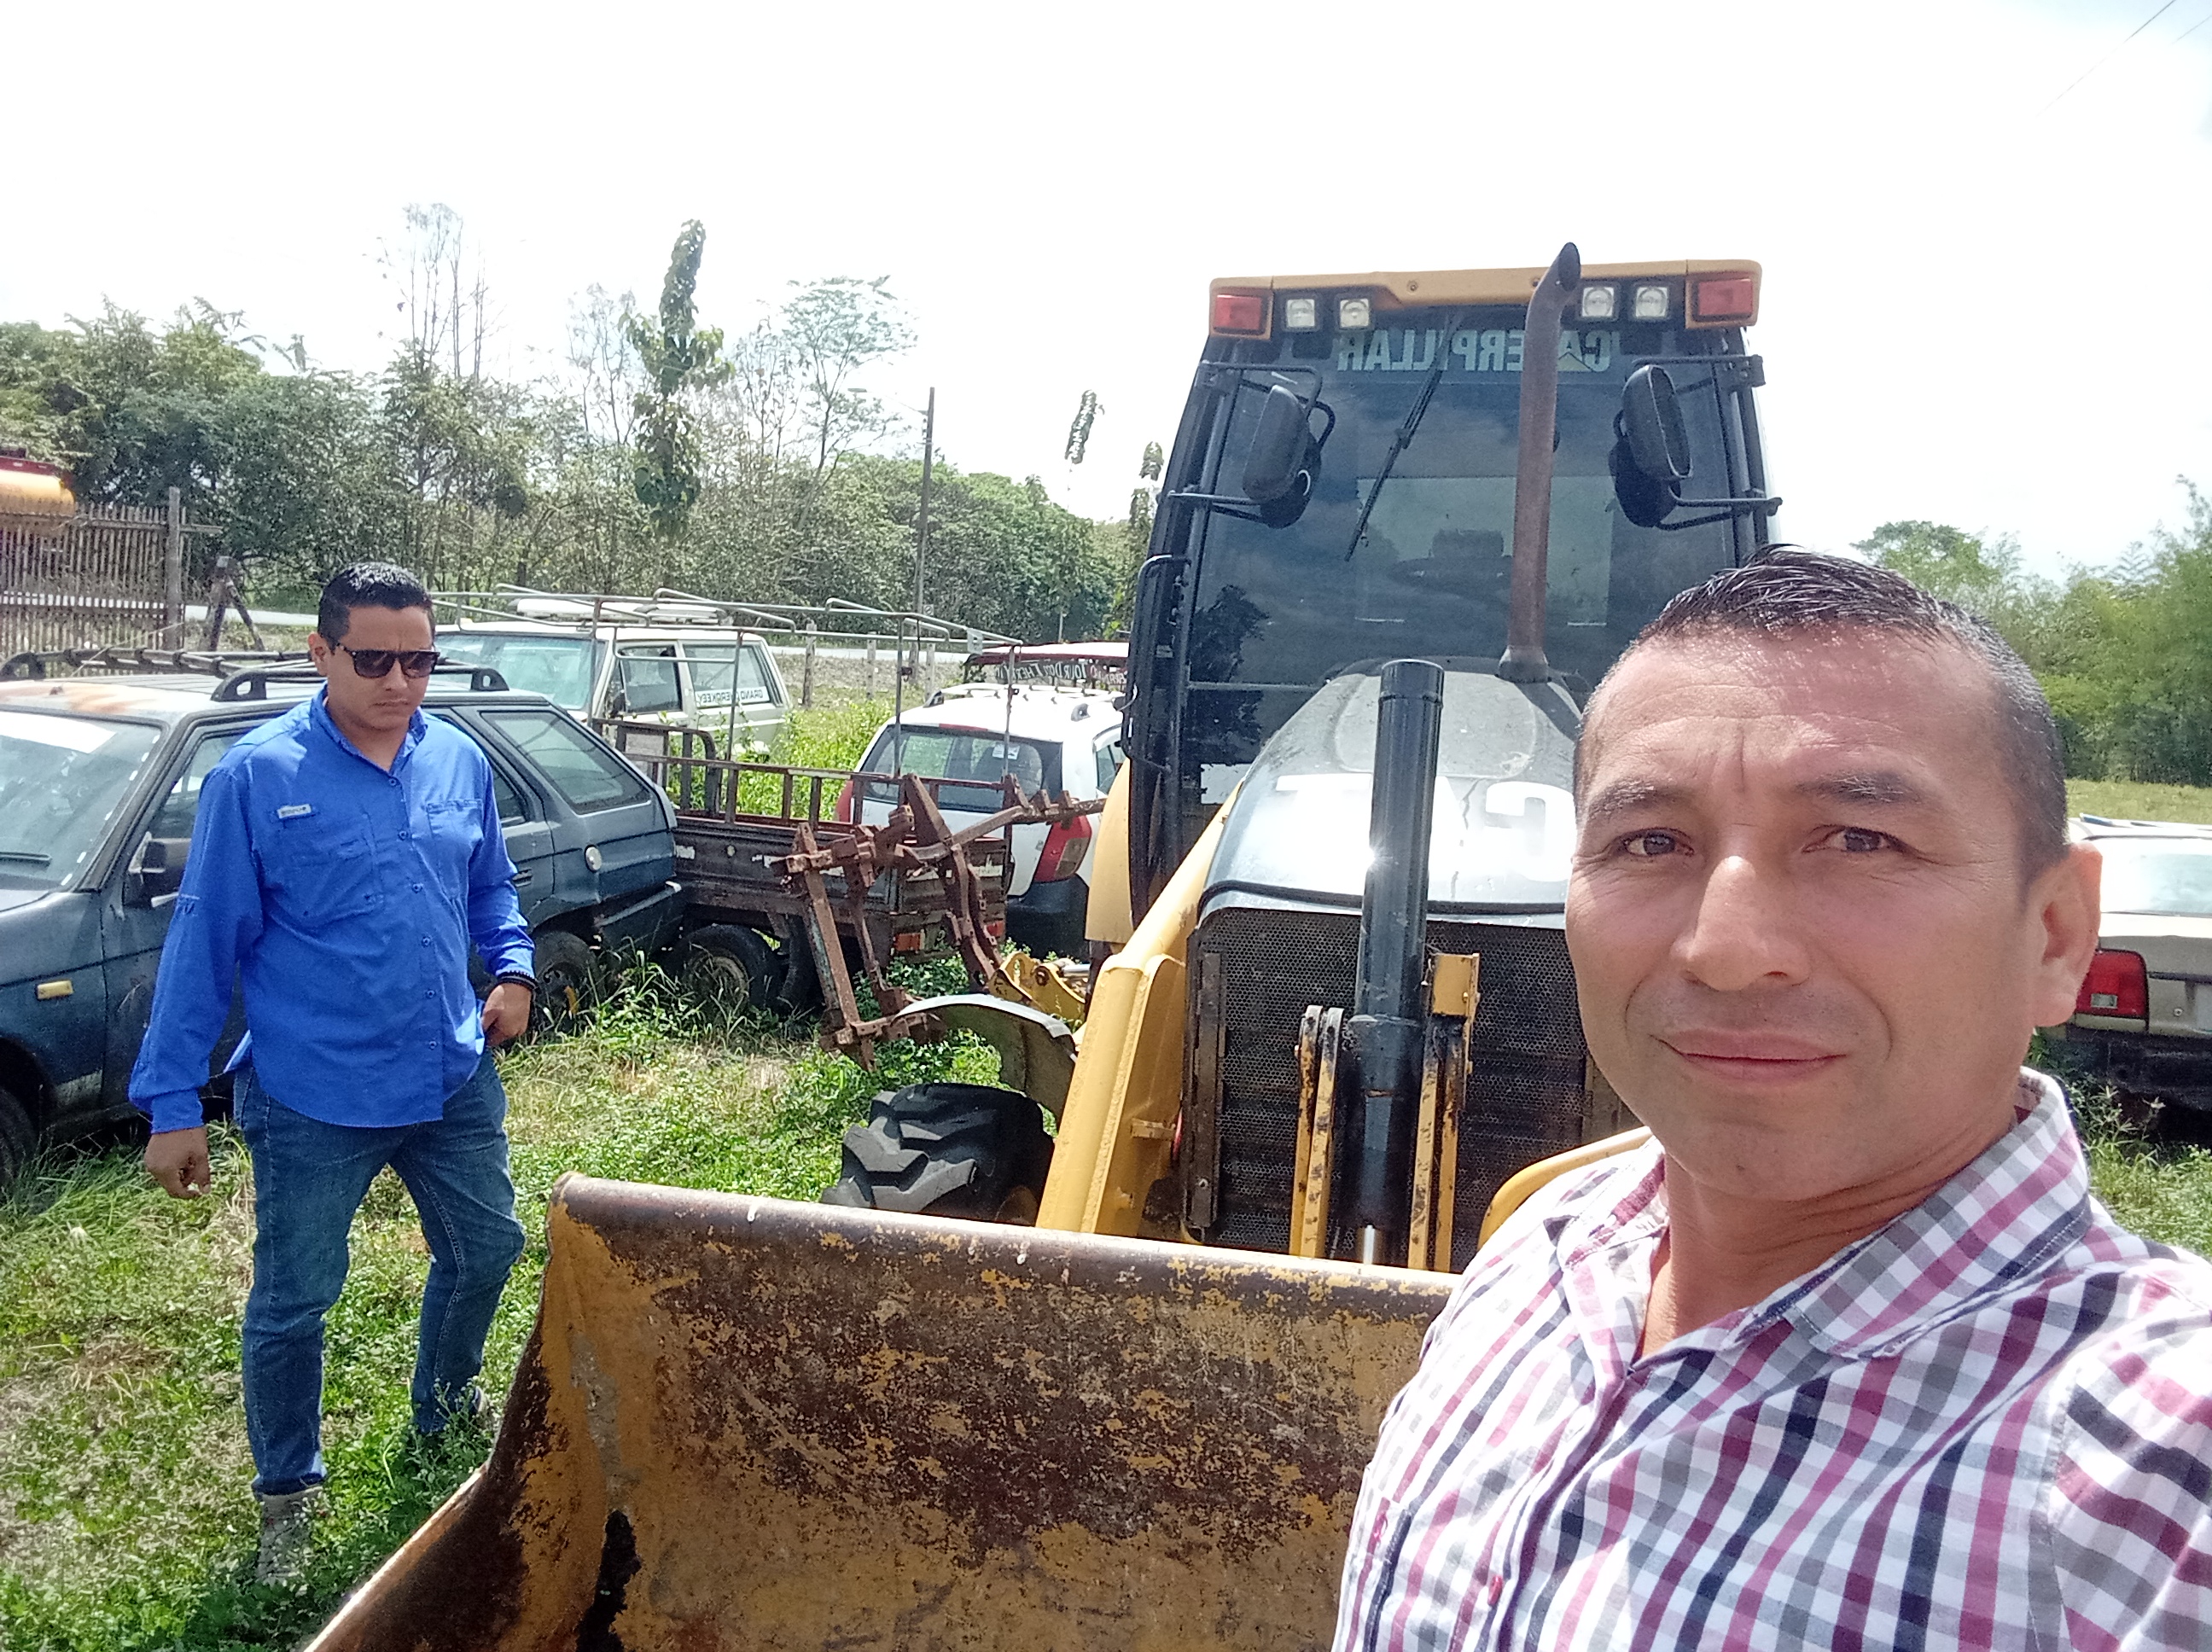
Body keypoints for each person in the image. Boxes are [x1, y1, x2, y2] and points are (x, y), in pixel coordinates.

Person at [1335, 551, 2212, 1650]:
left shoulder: (2165, 1479)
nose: (1726, 948)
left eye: (1860, 840)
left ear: (2055, 935)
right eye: (1651, 842)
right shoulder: (1540, 1262)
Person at [132, 561, 535, 1585]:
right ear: (320, 653)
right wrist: (172, 1103)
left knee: (489, 1246)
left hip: (449, 1073)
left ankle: (444, 1404)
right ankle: (288, 1496)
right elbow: (203, 944)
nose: (399, 682)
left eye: (420, 661)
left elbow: (490, 885)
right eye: (374, 660)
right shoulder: (258, 778)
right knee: (296, 1299)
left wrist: (514, 968)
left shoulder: (458, 760)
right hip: (315, 1093)